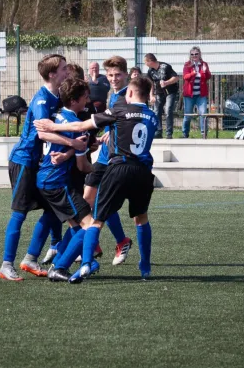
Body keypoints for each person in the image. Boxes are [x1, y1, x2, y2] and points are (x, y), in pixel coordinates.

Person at [34, 75, 158, 282]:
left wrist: (53, 127)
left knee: (96, 220)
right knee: (141, 218)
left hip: (119, 168)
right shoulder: (153, 116)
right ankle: (145, 267)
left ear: (129, 93)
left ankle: (85, 264)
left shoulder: (120, 109)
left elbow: (83, 126)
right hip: (144, 172)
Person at [0, 54, 87, 281]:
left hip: (40, 164)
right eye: (64, 68)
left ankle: (30, 258)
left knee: (51, 212)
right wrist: (73, 144)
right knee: (20, 213)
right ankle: (6, 264)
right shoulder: (41, 100)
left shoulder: (58, 96)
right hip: (24, 161)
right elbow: (42, 132)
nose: (67, 71)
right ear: (52, 74)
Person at [36, 78, 94, 281]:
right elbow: (83, 166)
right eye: (85, 96)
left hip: (45, 177)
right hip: (57, 182)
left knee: (76, 226)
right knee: (89, 226)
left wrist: (68, 152)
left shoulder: (56, 116)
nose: (88, 99)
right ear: (75, 100)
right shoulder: (77, 126)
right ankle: (59, 267)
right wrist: (102, 172)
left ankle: (58, 263)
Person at [83, 56, 133, 267]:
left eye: (117, 75)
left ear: (126, 75)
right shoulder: (113, 95)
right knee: (87, 197)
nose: (113, 79)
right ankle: (98, 244)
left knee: (102, 201)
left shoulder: (127, 97)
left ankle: (118, 241)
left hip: (116, 158)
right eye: (110, 75)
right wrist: (107, 134)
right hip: (104, 154)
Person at [144, 53, 179, 139]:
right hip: (159, 93)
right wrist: (151, 95)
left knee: (168, 109)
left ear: (150, 61)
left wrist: (167, 82)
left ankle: (169, 132)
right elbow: (151, 84)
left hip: (170, 92)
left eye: (145, 62)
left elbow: (176, 77)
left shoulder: (165, 66)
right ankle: (158, 131)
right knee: (157, 111)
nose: (145, 64)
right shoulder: (150, 71)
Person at [182, 47, 211, 138]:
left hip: (200, 95)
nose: (194, 56)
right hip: (189, 95)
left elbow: (208, 77)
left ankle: (203, 133)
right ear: (190, 56)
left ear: (199, 55)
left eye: (196, 54)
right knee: (187, 115)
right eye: (192, 54)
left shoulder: (204, 64)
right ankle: (185, 133)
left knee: (203, 114)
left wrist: (205, 71)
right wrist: (193, 73)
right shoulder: (187, 65)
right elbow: (185, 77)